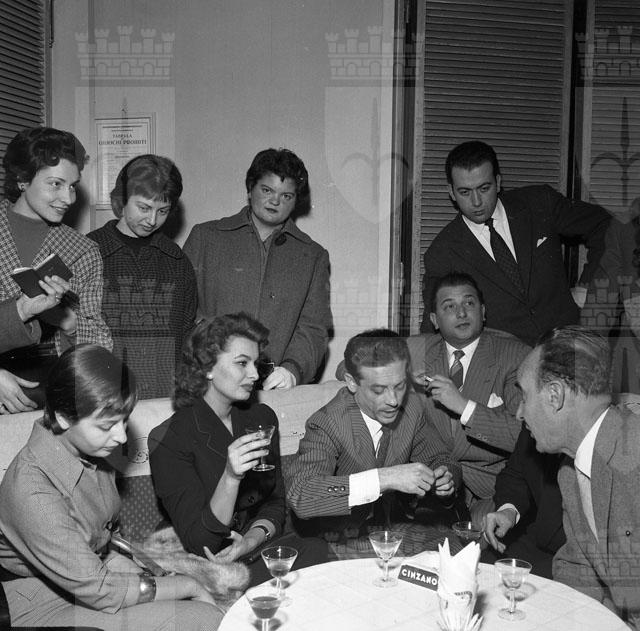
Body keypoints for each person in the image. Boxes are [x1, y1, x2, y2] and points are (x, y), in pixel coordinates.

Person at [0, 344, 222, 630]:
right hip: (36, 601)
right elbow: (100, 589)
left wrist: (145, 576)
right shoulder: (33, 491)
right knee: (201, 619)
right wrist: (187, 585)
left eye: (123, 422)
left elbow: (103, 541)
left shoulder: (91, 451)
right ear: (63, 417)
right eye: (107, 426)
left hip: (87, 579)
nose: (121, 437)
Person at [148, 313, 327, 586]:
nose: (254, 375)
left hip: (253, 547)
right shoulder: (169, 439)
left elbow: (275, 503)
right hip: (207, 562)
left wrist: (250, 541)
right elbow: (201, 543)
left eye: (256, 363)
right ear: (207, 367)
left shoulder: (261, 418)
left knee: (318, 552)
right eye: (242, 363)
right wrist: (231, 477)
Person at [420, 140, 611, 346]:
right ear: (451, 192)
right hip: (507, 361)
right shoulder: (442, 252)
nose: (476, 202)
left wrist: (587, 288)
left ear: (498, 181)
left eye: (484, 188)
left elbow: (606, 226)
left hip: (573, 345)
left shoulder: (539, 203)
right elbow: (433, 326)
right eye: (465, 192)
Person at [517, 325, 640, 627]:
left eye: (524, 396)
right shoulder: (570, 471)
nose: (519, 413)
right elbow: (578, 567)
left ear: (555, 395)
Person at [287, 329, 461, 541]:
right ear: (352, 382)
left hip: (392, 533)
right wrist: (385, 478)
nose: (393, 400)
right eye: (379, 390)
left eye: (400, 386)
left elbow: (442, 458)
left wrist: (446, 479)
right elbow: (302, 495)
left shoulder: (411, 408)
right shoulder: (327, 423)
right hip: (337, 541)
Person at [183, 148, 332, 390]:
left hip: (273, 387)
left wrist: (293, 370)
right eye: (267, 190)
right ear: (250, 189)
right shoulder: (206, 237)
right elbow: (182, 314)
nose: (275, 201)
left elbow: (314, 328)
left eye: (286, 196)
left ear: (297, 201)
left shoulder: (313, 256)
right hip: (208, 380)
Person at [0, 126, 111, 413]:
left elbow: (97, 346)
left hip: (51, 401)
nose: (68, 198)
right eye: (55, 184)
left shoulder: (83, 251)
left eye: (72, 186)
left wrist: (69, 324)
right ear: (22, 179)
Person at [410, 272, 530, 523]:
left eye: (469, 303)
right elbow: (350, 365)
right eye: (449, 306)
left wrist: (465, 407)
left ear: (483, 312)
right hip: (432, 486)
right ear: (434, 320)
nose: (462, 313)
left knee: (483, 533)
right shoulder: (419, 349)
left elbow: (525, 436)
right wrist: (401, 373)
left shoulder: (514, 355)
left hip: (492, 488)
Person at [88, 154, 197, 399]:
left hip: (163, 395)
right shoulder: (88, 252)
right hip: (104, 395)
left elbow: (186, 333)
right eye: (144, 208)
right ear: (122, 200)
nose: (152, 220)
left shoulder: (177, 261)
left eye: (163, 211)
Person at [481, 426, 565, 578]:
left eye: (525, 402)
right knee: (481, 572)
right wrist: (509, 510)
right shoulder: (532, 425)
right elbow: (515, 473)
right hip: (538, 536)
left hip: (581, 552)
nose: (519, 415)